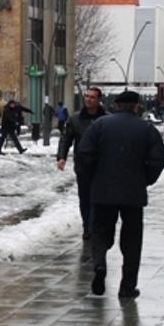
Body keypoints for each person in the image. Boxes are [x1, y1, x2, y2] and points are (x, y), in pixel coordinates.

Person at [77, 90, 164, 299]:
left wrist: (93, 177)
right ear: (136, 106)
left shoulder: (99, 125)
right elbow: (158, 158)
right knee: (132, 240)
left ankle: (99, 265)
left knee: (100, 233)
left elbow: (84, 153)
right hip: (133, 193)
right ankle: (127, 287)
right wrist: (145, 179)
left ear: (116, 106)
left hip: (103, 190)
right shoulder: (146, 129)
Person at [57, 87, 108, 240]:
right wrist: (61, 157)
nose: (88, 99)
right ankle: (88, 226)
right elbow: (66, 139)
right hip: (83, 166)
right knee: (85, 199)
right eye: (86, 96)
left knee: (99, 199)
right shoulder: (75, 119)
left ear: (99, 100)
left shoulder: (107, 119)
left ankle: (95, 227)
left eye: (92, 97)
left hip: (102, 167)